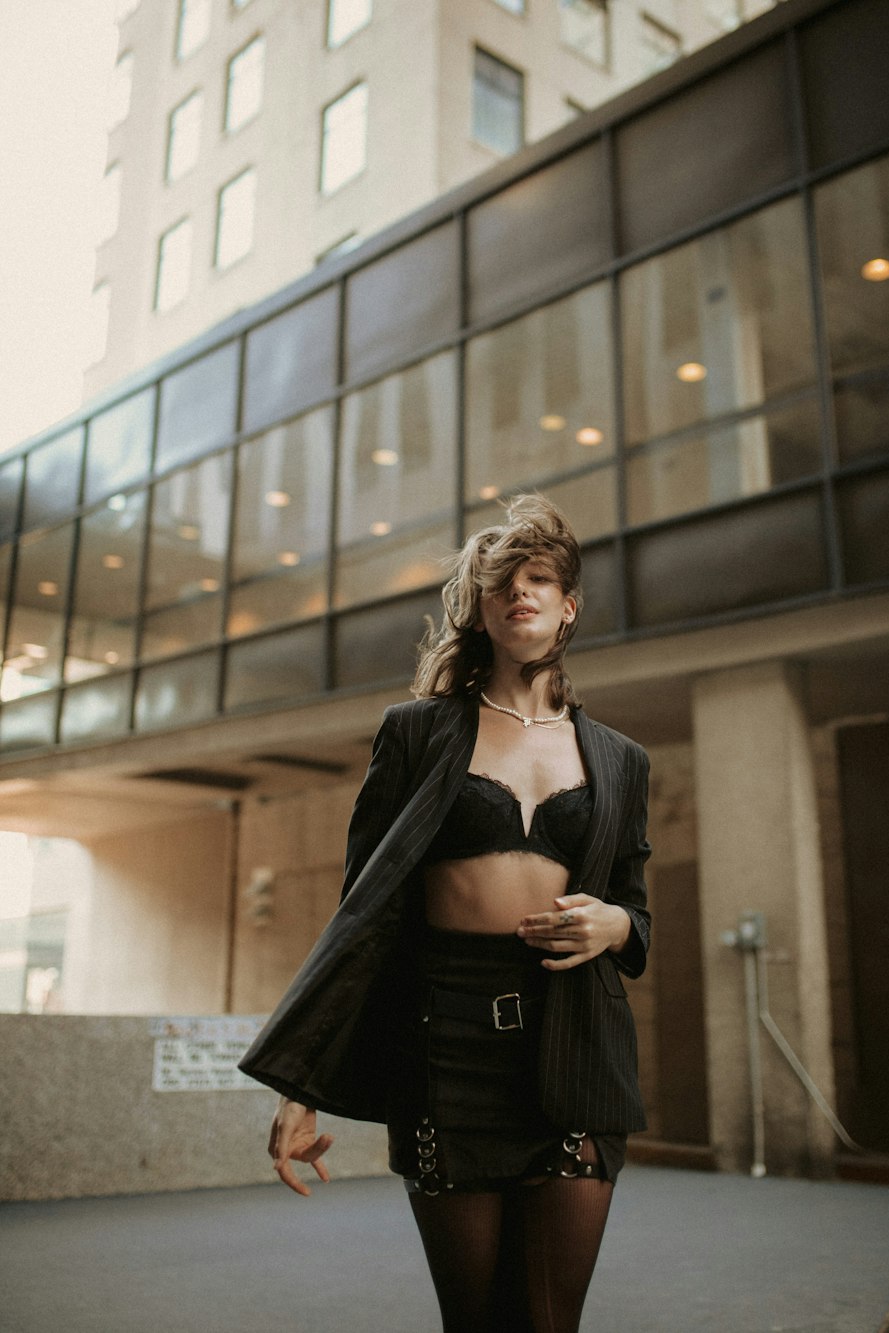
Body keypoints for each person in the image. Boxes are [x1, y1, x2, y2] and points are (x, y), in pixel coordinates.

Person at [239, 494, 651, 1332]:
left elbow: (636, 907)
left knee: (547, 1321)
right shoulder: (420, 733)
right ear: (484, 608)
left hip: (575, 1040)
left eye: (540, 579)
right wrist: (298, 1084)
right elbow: (364, 912)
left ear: (568, 606)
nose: (521, 593)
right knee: (476, 1320)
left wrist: (616, 924)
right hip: (448, 1043)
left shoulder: (620, 759)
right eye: (504, 583)